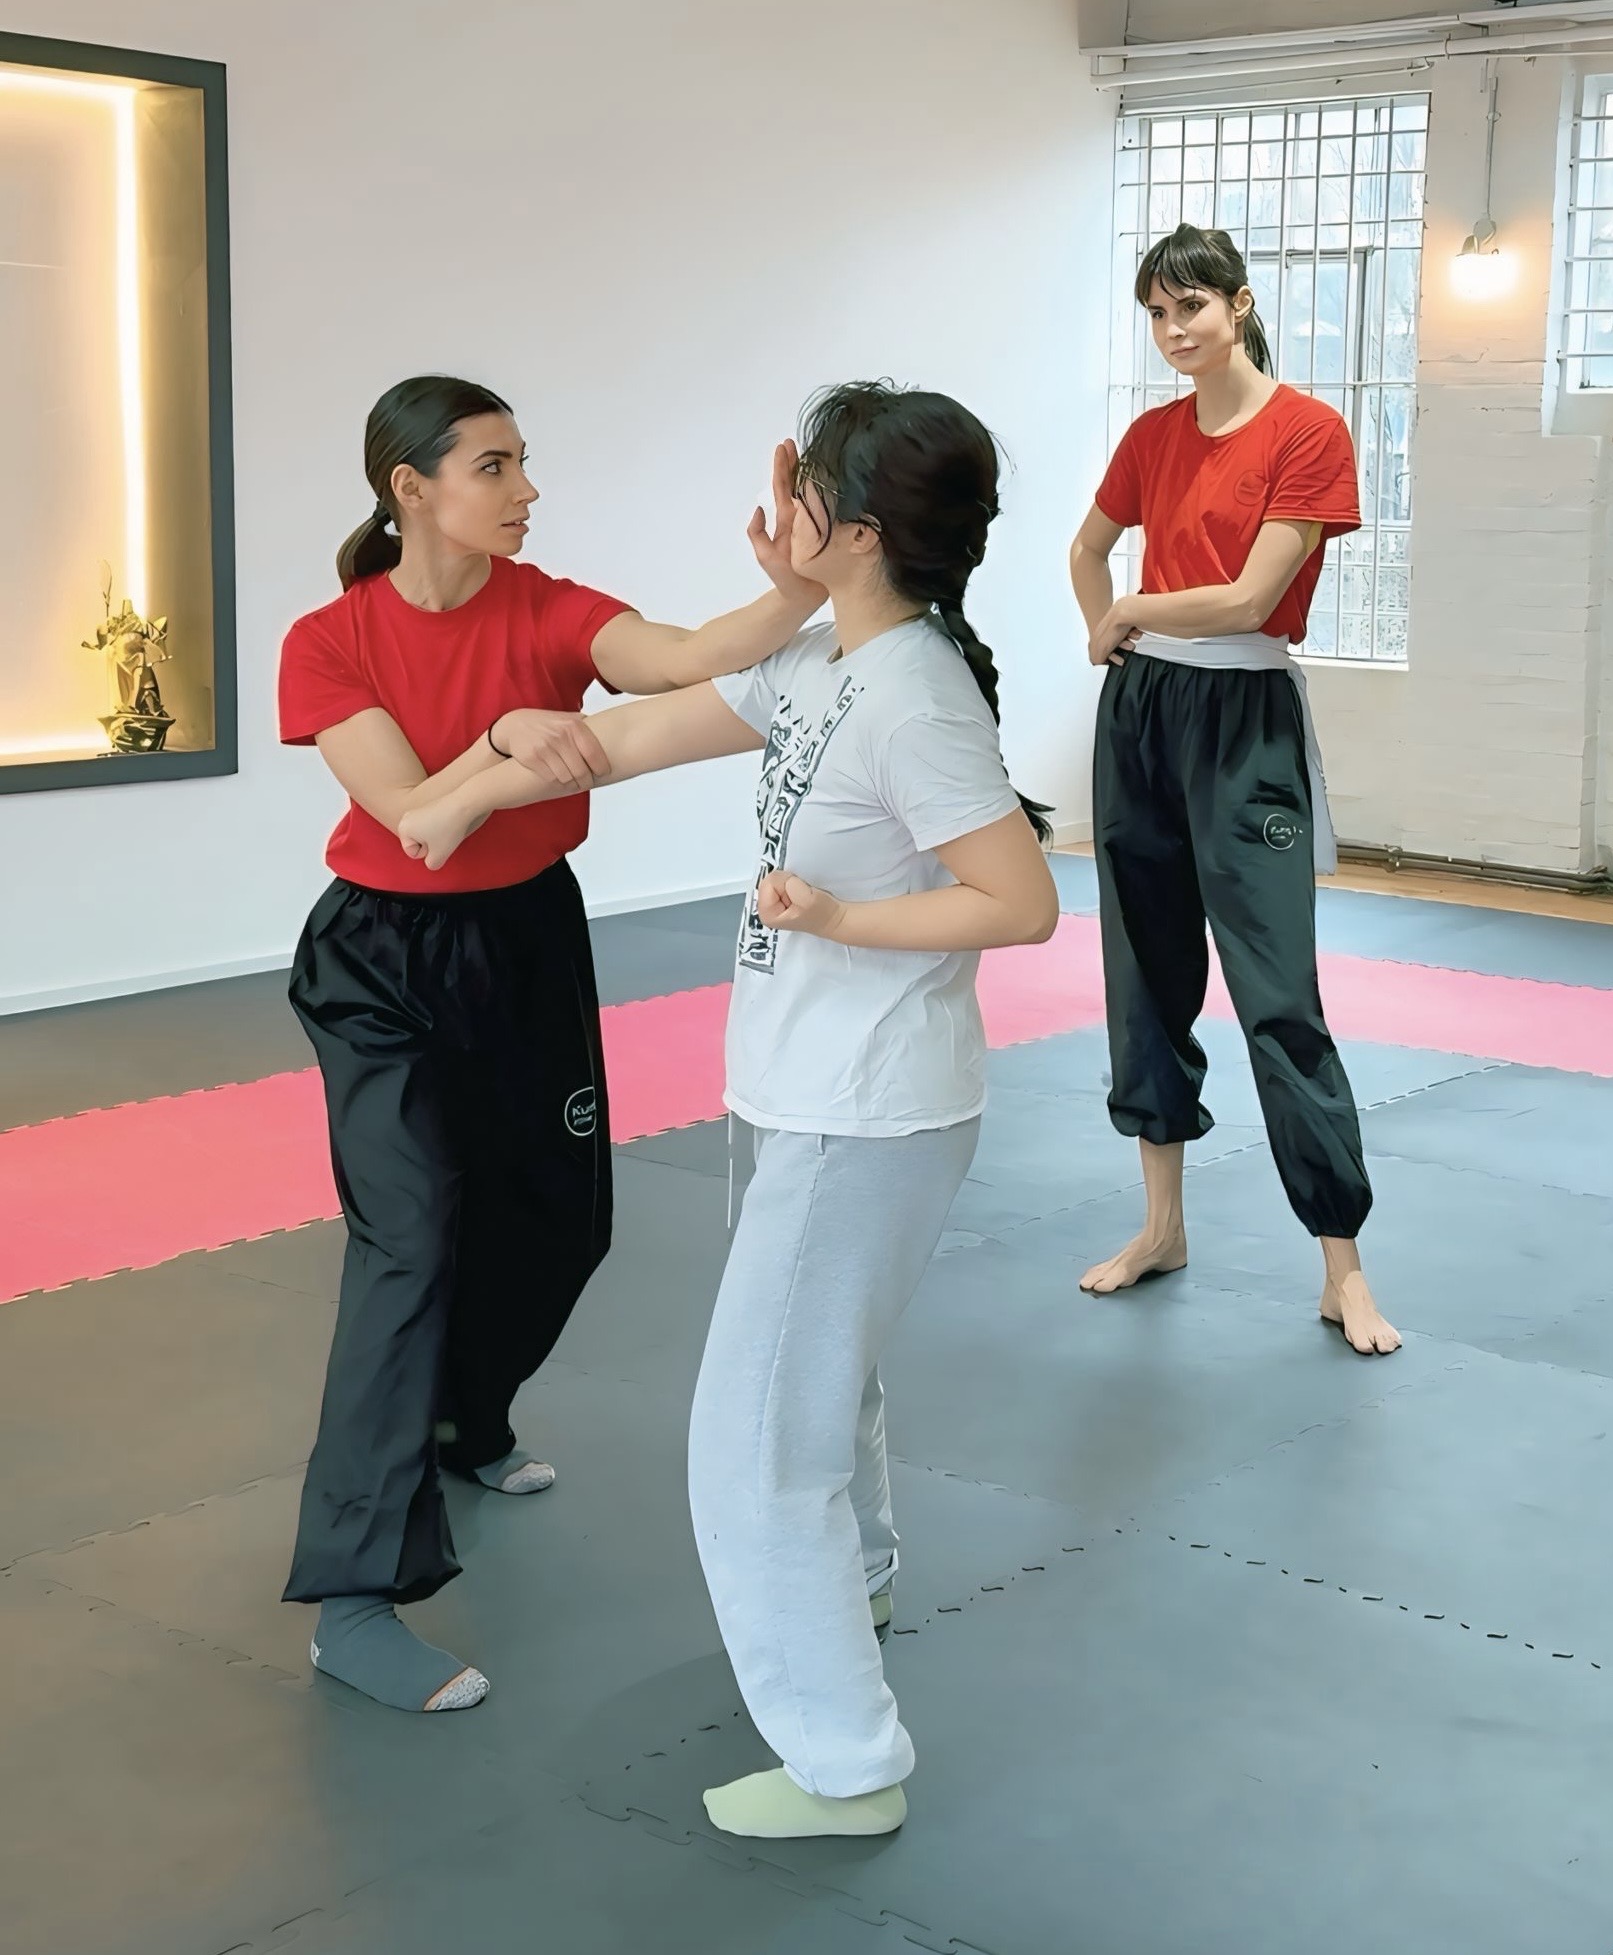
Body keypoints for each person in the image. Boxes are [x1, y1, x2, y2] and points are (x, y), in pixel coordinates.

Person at [401, 380, 1059, 1834]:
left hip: (865, 1111)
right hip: (792, 1089)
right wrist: (491, 767)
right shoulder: (824, 656)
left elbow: (1018, 903)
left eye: (803, 484)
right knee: (832, 1385)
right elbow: (629, 735)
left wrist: (828, 910)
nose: (777, 504)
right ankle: (863, 1590)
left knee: (754, 1436)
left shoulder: (916, 694)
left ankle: (844, 1763)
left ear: (861, 527)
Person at [278, 374, 823, 1713]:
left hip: (524, 939)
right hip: (380, 961)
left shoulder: (556, 608)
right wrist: (503, 731)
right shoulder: (328, 637)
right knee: (408, 1240)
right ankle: (354, 1593)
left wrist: (799, 588)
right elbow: (409, 812)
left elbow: (690, 650)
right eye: (495, 464)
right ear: (412, 490)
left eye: (524, 462)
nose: (526, 487)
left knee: (560, 1217)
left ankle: (466, 1415)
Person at [1067, 224, 1399, 1355]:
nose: (1173, 332)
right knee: (1143, 974)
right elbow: (1086, 548)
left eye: (1192, 308)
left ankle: (1339, 1263)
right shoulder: (1151, 433)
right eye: (1156, 314)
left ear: (1240, 305)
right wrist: (1104, 631)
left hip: (1241, 718)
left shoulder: (1306, 429)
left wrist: (1130, 612)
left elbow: (1256, 596)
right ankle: (1160, 1224)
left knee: (1275, 989)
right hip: (1142, 715)